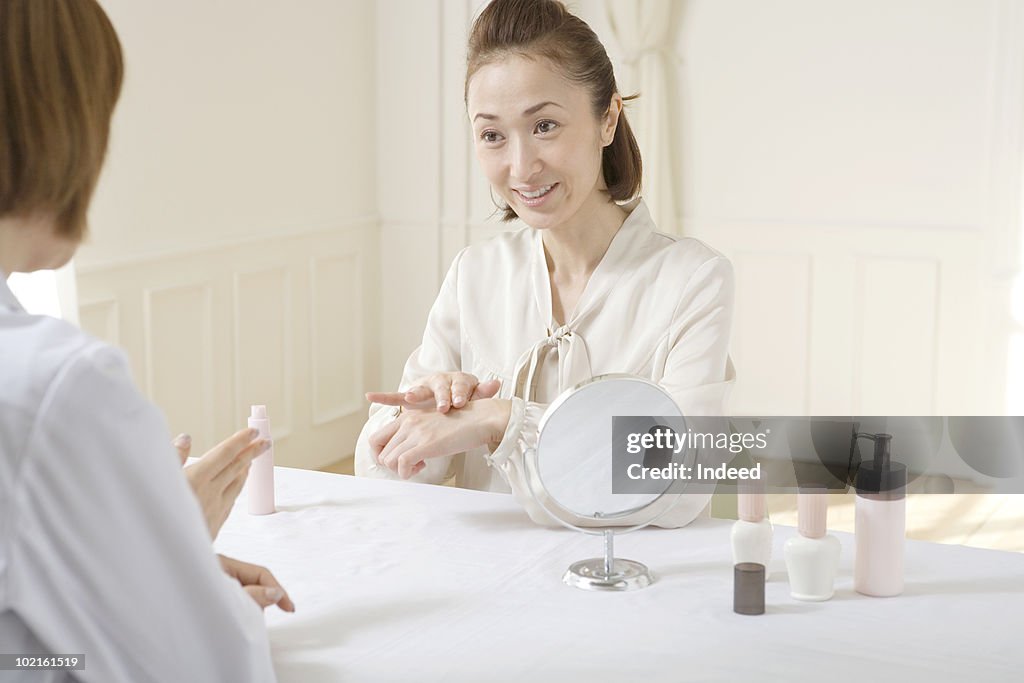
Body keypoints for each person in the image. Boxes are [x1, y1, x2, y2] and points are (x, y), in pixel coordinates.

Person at [356, 0, 735, 528]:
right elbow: (378, 472)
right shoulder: (475, 275)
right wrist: (427, 418)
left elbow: (682, 483)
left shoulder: (691, 280)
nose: (521, 166)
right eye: (492, 135)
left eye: (546, 126)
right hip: (487, 584)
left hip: (624, 584)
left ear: (607, 119)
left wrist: (506, 420)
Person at [0, 2, 290, 681]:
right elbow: (210, 666)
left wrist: (129, 561)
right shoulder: (55, 388)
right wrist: (168, 559)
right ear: (56, 126)